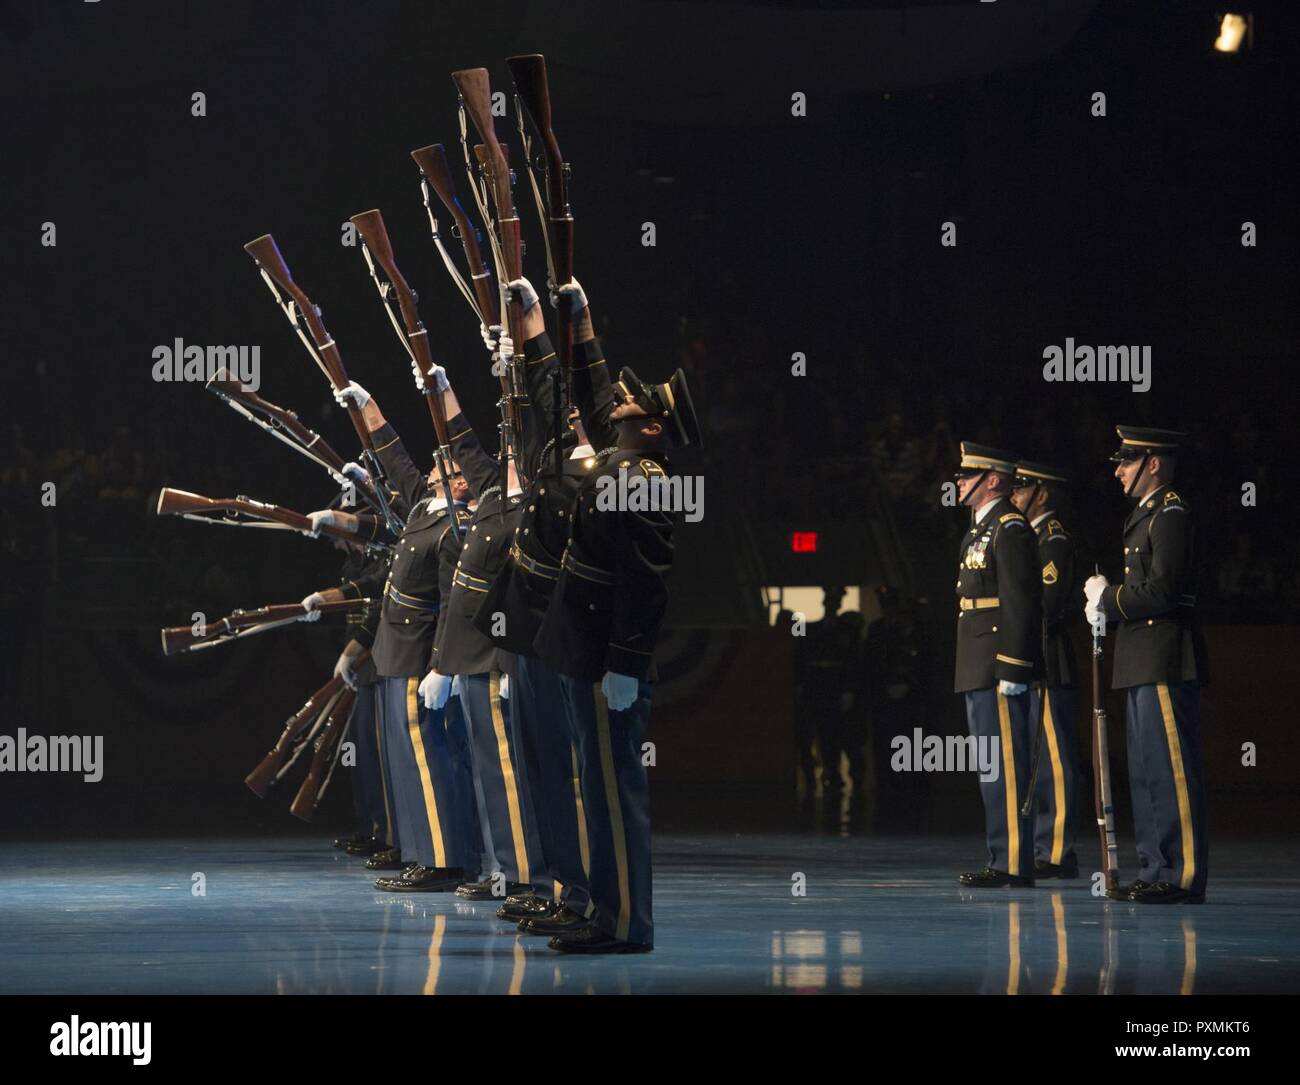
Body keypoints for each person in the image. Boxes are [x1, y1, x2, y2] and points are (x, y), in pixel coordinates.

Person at [533, 363, 702, 952]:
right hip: (585, 652)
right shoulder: (623, 467)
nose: (618, 403)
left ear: (652, 427)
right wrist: (568, 317)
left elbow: (646, 581)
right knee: (597, 788)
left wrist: (627, 664)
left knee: (612, 789)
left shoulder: (641, 477)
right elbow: (591, 388)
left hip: (606, 659)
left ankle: (626, 922)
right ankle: (606, 911)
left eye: (631, 403)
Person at [1085, 426, 1209, 904]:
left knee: (1171, 770)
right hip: (1141, 655)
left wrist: (1108, 598)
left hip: (1163, 654)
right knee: (1145, 769)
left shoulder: (1170, 511)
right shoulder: (1146, 513)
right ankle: (1156, 865)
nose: (1117, 470)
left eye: (1126, 461)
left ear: (1153, 463)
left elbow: (1162, 591)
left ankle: (1181, 873)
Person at [952, 442, 1041, 888]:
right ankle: (1001, 856)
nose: (960, 483)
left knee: (1005, 765)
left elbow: (1020, 602)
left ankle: (1012, 862)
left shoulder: (1009, 528)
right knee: (991, 766)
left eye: (968, 476)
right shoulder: (981, 529)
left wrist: (1012, 666)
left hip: (995, 663)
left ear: (992, 479)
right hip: (976, 661)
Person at [1010, 461, 1080, 879]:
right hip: (1032, 661)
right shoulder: (1028, 538)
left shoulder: (1052, 540)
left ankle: (1057, 851)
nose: (1014, 496)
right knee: (1035, 763)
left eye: (1021, 489)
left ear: (1042, 494)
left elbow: (1048, 607)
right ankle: (1042, 844)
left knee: (1056, 762)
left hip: (1050, 661)